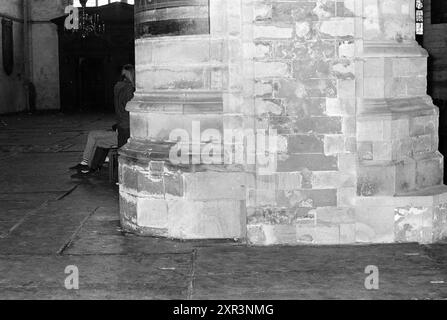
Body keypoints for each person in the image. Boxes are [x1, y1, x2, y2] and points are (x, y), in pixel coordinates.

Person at [70, 64, 135, 178]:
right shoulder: (129, 89)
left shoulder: (119, 87)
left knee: (98, 140)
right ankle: (88, 166)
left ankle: (89, 167)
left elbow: (123, 109)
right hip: (125, 127)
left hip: (124, 129)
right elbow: (128, 109)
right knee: (97, 139)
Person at [115, 64, 135, 148]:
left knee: (122, 150)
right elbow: (129, 106)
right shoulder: (128, 88)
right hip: (128, 123)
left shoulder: (118, 86)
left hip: (121, 122)